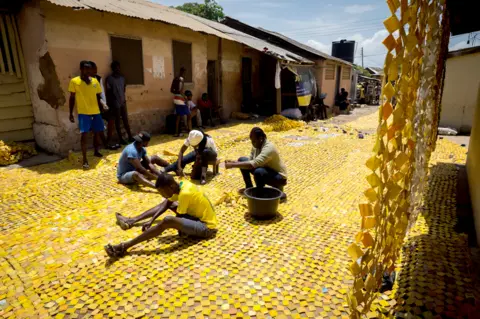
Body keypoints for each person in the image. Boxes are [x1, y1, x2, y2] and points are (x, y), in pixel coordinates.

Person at [105, 174, 218, 258]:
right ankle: (132, 220)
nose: (163, 195)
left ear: (171, 186)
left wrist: (155, 230)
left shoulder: (185, 194)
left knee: (167, 220)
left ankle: (125, 246)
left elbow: (176, 219)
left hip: (206, 228)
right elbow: (167, 203)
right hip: (197, 218)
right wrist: (151, 220)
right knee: (167, 203)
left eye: (163, 192)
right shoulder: (182, 184)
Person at [225, 127, 287, 201]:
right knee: (242, 160)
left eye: (254, 141)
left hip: (279, 177)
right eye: (251, 141)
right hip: (265, 169)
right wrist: (234, 162)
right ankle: (249, 187)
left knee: (259, 172)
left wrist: (232, 165)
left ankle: (260, 194)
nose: (252, 144)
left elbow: (253, 164)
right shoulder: (256, 145)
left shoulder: (269, 148)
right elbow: (250, 160)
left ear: (260, 139)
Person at [68, 60, 109, 169]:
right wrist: (71, 113)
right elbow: (72, 98)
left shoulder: (95, 81)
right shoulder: (74, 81)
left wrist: (103, 104)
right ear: (81, 69)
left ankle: (96, 150)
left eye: (89, 69)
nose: (88, 71)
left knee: (97, 132)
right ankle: (85, 159)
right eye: (86, 69)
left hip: (96, 112)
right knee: (84, 135)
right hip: (83, 113)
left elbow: (98, 97)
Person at [89, 61, 118, 150]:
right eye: (94, 70)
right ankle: (105, 143)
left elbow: (102, 93)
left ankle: (108, 140)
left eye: (96, 70)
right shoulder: (85, 80)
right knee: (98, 125)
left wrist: (104, 105)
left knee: (112, 118)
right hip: (91, 107)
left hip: (101, 104)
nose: (95, 72)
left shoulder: (98, 78)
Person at [105, 61, 134, 145]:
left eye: (118, 67)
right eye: (115, 67)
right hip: (115, 103)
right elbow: (108, 92)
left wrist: (122, 100)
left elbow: (124, 89)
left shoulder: (122, 78)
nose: (117, 69)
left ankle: (130, 136)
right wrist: (112, 103)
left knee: (125, 120)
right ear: (112, 69)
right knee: (117, 121)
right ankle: (121, 138)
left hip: (122, 101)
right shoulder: (109, 79)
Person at [171, 67, 191, 136]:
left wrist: (176, 93)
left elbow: (171, 90)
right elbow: (181, 91)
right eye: (185, 72)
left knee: (178, 116)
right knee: (189, 115)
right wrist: (185, 98)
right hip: (180, 98)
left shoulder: (175, 78)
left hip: (175, 98)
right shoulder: (181, 79)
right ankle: (190, 132)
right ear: (183, 72)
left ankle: (176, 133)